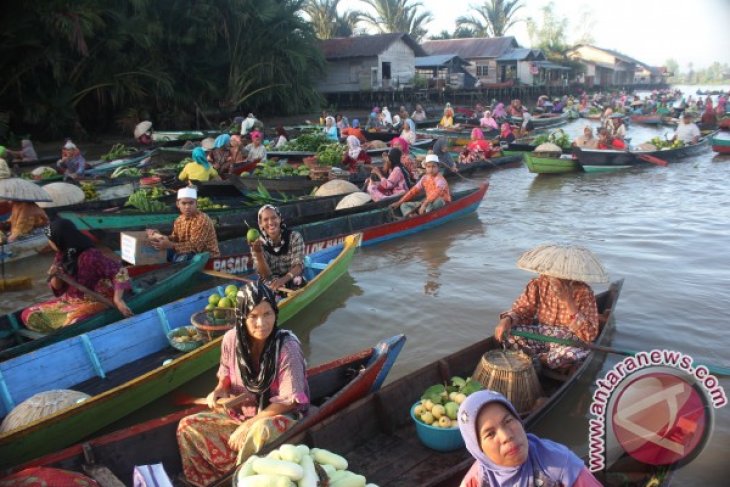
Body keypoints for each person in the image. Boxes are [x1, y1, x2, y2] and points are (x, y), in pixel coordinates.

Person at [177, 281, 309, 486]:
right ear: (241, 317)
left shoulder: (286, 346)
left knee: (260, 430)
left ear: (275, 313)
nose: (261, 323)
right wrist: (219, 390)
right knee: (187, 426)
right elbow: (225, 374)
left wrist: (250, 424)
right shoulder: (231, 339)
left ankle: (240, 477)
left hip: (276, 418)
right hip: (239, 413)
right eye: (253, 316)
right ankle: (212, 479)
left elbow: (289, 401)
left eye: (267, 314)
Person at [458, 390, 601, 487]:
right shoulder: (478, 479)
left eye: (508, 421)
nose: (506, 436)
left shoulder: (562, 465)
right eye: (490, 434)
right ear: (478, 449)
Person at [494, 243, 604, 370]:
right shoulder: (537, 284)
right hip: (541, 335)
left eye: (561, 275)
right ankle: (545, 359)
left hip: (569, 342)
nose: (554, 277)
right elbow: (522, 310)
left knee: (572, 353)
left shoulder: (584, 292)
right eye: (552, 273)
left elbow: (588, 335)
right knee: (510, 335)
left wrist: (569, 301)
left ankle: (539, 360)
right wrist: (507, 320)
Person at [21, 219, 133, 331]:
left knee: (74, 324)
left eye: (51, 240)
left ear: (60, 239)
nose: (50, 244)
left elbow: (120, 272)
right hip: (72, 301)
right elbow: (57, 288)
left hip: (96, 300)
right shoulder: (62, 255)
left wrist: (118, 300)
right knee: (29, 315)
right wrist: (55, 275)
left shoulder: (90, 256)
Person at [147, 187, 220, 262]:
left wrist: (170, 245)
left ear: (196, 203)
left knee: (181, 258)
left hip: (207, 258)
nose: (187, 207)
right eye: (184, 203)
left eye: (191, 203)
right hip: (185, 253)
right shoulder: (179, 220)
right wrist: (160, 236)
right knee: (159, 251)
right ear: (178, 204)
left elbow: (194, 247)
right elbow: (175, 238)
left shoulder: (202, 220)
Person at [250, 205, 305, 291]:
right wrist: (258, 253)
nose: (270, 222)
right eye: (265, 220)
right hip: (271, 285)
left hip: (292, 278)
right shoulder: (257, 244)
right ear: (261, 224)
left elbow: (299, 266)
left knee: (297, 281)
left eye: (274, 217)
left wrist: (283, 280)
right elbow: (265, 276)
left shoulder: (294, 237)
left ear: (279, 219)